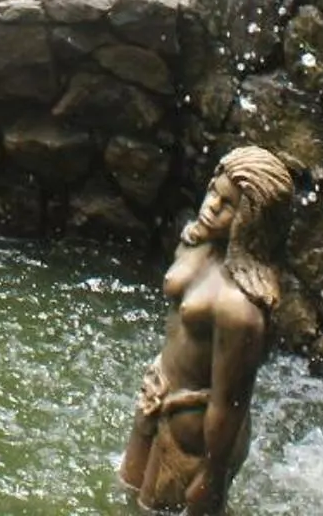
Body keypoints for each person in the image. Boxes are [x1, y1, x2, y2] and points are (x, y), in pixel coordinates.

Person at [118, 146, 296, 513]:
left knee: (156, 510)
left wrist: (212, 475)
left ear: (251, 219)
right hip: (159, 393)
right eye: (212, 191)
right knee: (124, 493)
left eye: (227, 204)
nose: (211, 205)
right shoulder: (197, 243)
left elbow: (230, 402)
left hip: (193, 429)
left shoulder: (240, 308)